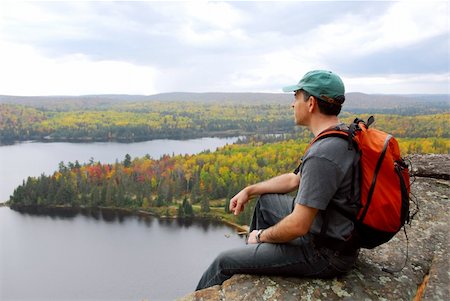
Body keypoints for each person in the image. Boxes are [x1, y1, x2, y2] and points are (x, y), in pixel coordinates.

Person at [196, 70, 361, 290]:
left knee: (223, 263)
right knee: (265, 203)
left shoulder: (324, 153)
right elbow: (294, 180)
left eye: (296, 97)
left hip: (325, 253)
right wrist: (250, 190)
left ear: (310, 103)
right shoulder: (341, 134)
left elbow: (298, 225)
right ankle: (256, 258)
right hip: (331, 231)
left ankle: (253, 255)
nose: (292, 104)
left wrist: (261, 236)